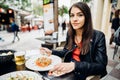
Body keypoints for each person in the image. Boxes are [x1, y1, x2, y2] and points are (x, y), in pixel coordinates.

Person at [40, 2, 108, 80]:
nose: (74, 19)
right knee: (43, 75)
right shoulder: (70, 33)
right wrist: (51, 52)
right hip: (68, 67)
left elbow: (101, 66)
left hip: (83, 71)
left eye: (80, 15)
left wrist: (74, 66)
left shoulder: (99, 36)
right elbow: (66, 51)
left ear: (87, 17)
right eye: (72, 15)